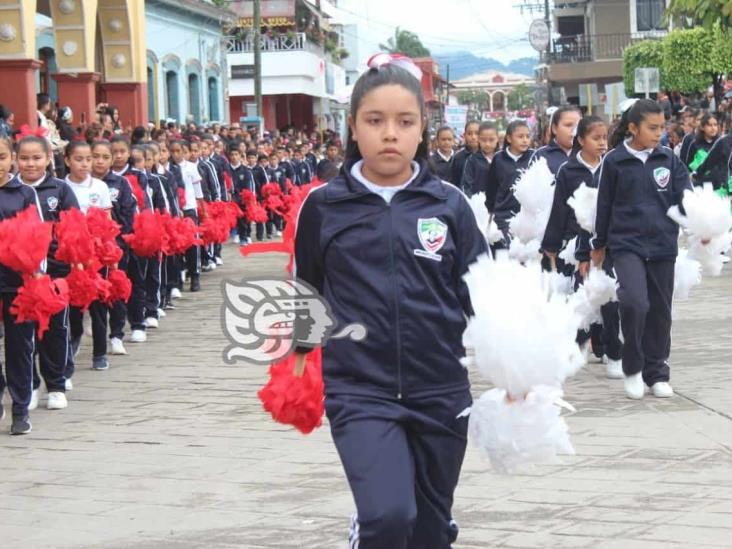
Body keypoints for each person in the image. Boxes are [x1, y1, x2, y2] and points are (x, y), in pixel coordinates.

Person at [293, 55, 487, 548]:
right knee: (387, 516)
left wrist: (516, 370)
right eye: (374, 121)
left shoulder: (448, 203)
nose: (389, 134)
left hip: (441, 389)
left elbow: (483, 293)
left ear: (423, 129)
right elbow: (309, 289)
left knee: (429, 530)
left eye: (404, 122)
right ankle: (367, 531)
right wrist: (299, 360)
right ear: (353, 127)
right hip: (360, 389)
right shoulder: (322, 206)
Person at [591, 99, 693, 400]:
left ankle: (657, 373)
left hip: (663, 245)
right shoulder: (614, 161)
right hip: (626, 244)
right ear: (633, 128)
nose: (658, 133)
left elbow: (684, 198)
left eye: (661, 128)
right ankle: (633, 368)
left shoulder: (669, 160)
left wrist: (701, 223)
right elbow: (604, 204)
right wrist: (598, 245)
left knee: (661, 312)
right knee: (635, 303)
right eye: (652, 128)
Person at [542, 116, 622, 377]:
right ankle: (581, 342)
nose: (602, 143)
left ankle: (613, 351)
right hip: (574, 243)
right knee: (582, 296)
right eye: (595, 138)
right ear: (581, 141)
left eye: (604, 138)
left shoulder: (611, 167)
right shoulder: (568, 171)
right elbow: (558, 210)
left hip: (607, 242)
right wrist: (550, 247)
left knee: (609, 297)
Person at [16, 134, 80, 413]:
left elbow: (74, 226)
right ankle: (29, 384)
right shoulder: (11, 190)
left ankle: (55, 384)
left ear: (48, 159)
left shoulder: (61, 189)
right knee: (23, 333)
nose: (30, 164)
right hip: (19, 275)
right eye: (25, 158)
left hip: (55, 272)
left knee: (55, 330)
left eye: (36, 158)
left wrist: (76, 261)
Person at [0, 135, 44, 434]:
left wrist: (37, 272)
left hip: (16, 284)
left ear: (11, 158)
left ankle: (20, 408)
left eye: (1, 156)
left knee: (20, 348)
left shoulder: (24, 194)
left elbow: (38, 236)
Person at [64, 141, 114, 371]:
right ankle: (73, 339)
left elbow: (108, 222)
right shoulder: (61, 187)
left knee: (98, 304)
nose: (85, 164)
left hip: (96, 254)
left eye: (88, 159)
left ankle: (100, 352)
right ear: (67, 161)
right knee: (74, 302)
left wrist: (108, 252)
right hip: (71, 254)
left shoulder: (101, 187)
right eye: (78, 159)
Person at [91, 140, 135, 356]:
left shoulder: (121, 183)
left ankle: (116, 334)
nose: (100, 161)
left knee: (116, 290)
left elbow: (128, 214)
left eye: (105, 157)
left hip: (115, 247)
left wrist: (117, 243)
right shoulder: (78, 184)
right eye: (95, 156)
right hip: (87, 251)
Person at [484, 119, 534, 248]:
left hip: (529, 217)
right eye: (520, 136)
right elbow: (491, 187)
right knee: (509, 251)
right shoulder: (498, 158)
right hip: (504, 215)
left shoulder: (534, 157)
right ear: (509, 138)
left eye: (527, 136)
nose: (525, 140)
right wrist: (491, 209)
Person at [530, 106, 581, 174]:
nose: (575, 130)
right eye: (568, 125)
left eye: (579, 125)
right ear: (554, 129)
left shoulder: (590, 153)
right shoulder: (540, 155)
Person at [461, 121, 498, 197]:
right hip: (478, 204)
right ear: (479, 140)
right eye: (484, 140)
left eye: (491, 140)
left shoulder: (503, 158)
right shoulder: (472, 160)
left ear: (497, 139)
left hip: (500, 205)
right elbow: (466, 186)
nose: (487, 144)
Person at [451, 120, 479, 186]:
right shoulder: (458, 157)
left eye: (477, 133)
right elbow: (454, 181)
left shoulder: (487, 156)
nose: (473, 137)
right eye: (469, 134)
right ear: (464, 135)